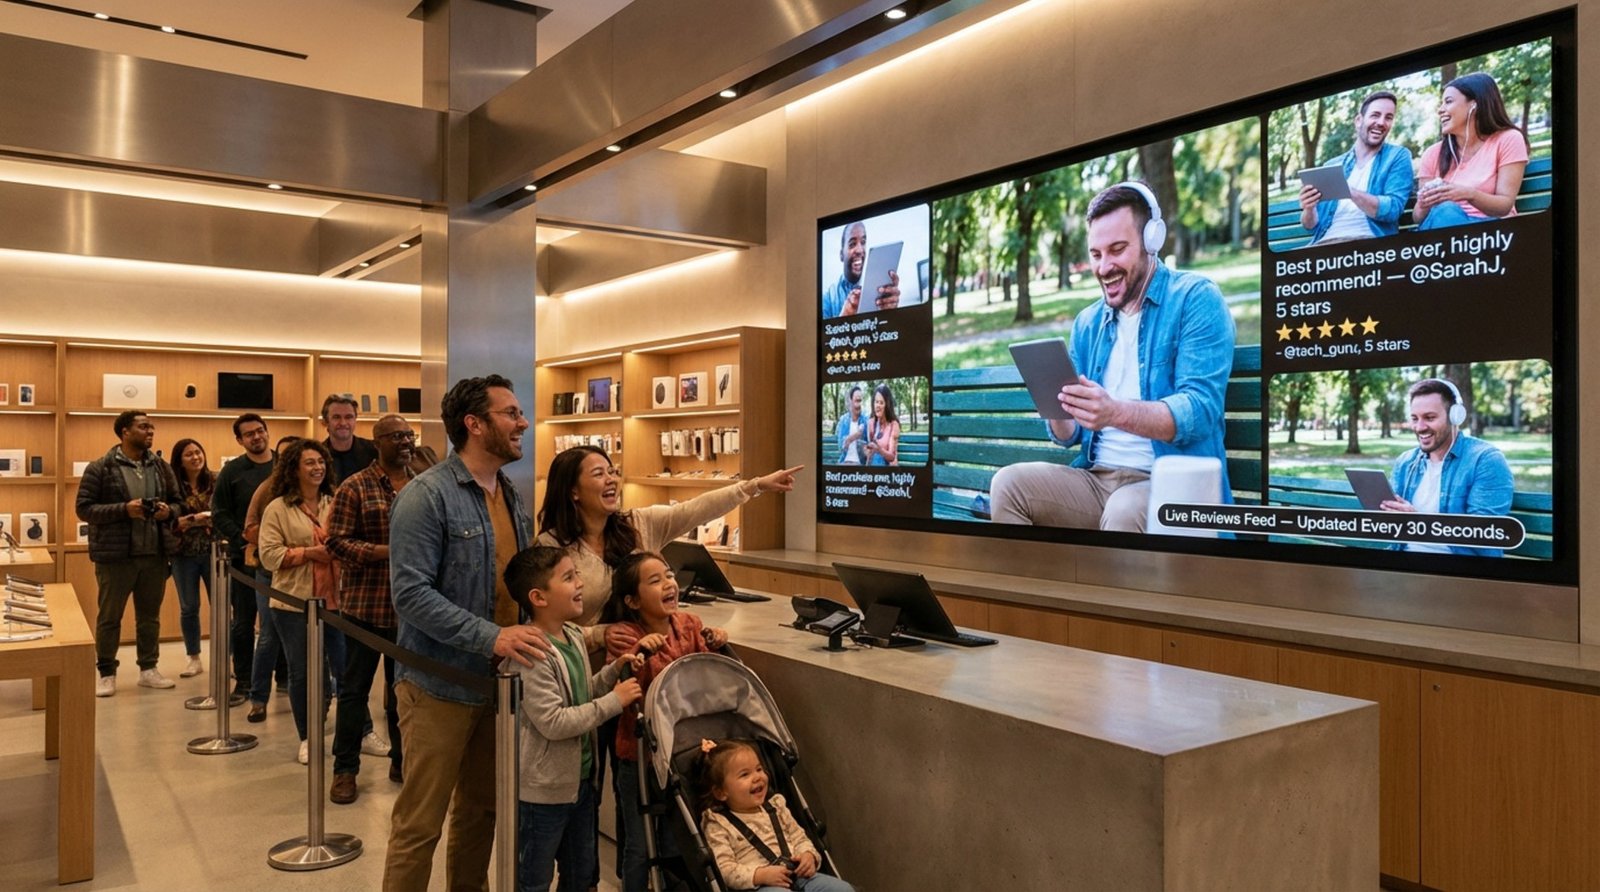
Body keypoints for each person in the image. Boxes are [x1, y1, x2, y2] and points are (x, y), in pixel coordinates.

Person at [383, 374, 554, 892]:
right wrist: (492, 637)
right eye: (510, 413)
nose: (523, 422)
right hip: (437, 686)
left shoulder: (510, 496)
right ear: (474, 425)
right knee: (419, 824)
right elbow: (410, 595)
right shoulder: (425, 497)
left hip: (497, 688)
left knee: (480, 813)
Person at [989, 182, 1235, 532]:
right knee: (1009, 486)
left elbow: (1199, 409)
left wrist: (1114, 412)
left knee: (1123, 510)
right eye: (1096, 254)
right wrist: (1058, 407)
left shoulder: (1195, 299)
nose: (1104, 267)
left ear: (1152, 241)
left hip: (1173, 483)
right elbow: (1069, 435)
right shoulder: (1088, 323)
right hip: (1096, 481)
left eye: (1117, 250)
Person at [536, 446, 802, 649]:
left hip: (652, 664)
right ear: (573, 491)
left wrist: (754, 486)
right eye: (598, 474)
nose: (611, 480)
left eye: (612, 471)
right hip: (589, 669)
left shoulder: (639, 524)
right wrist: (598, 635)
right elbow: (545, 626)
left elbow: (695, 510)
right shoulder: (551, 547)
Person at [504, 546, 643, 892]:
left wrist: (612, 672)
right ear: (538, 597)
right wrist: (615, 701)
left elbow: (581, 694)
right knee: (534, 879)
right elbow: (554, 721)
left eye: (576, 574)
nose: (580, 583)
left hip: (581, 783)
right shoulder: (531, 654)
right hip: (543, 794)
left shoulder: (575, 636)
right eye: (568, 577)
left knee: (581, 875)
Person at [604, 552, 730, 892]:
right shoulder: (624, 636)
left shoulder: (688, 624)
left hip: (683, 750)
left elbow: (708, 671)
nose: (669, 583)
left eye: (669, 575)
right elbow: (625, 689)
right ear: (631, 600)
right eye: (655, 580)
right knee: (640, 843)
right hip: (640, 755)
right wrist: (639, 653)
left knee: (680, 836)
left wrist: (717, 638)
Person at [327, 414, 414, 804]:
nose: (406, 442)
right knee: (353, 693)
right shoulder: (354, 487)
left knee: (404, 695)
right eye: (397, 436)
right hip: (365, 608)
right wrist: (386, 553)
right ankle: (345, 769)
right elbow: (337, 543)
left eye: (409, 435)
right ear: (377, 442)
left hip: (410, 611)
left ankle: (402, 760)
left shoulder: (421, 485)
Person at [77, 411, 182, 697]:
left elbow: (178, 503)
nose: (151, 431)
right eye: (144, 426)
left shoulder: (161, 466)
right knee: (109, 617)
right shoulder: (100, 467)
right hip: (115, 558)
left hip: (154, 554)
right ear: (125, 431)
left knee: (150, 617)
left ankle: (149, 669)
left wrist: (167, 512)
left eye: (152, 426)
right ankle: (107, 672)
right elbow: (84, 509)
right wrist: (125, 509)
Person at [257, 439, 339, 766]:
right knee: (303, 671)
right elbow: (269, 555)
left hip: (336, 599)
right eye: (309, 462)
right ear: (294, 468)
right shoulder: (278, 508)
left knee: (341, 669)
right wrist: (308, 554)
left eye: (321, 461)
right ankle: (308, 735)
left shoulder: (335, 501)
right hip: (294, 603)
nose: (317, 467)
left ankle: (342, 726)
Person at [697, 739, 854, 892]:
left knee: (843, 888)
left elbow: (799, 838)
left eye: (759, 769)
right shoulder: (718, 823)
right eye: (745, 774)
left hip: (798, 875)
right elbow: (724, 869)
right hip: (760, 886)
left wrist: (808, 856)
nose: (758, 777)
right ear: (721, 792)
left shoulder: (776, 806)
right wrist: (760, 875)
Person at [1380, 378, 1513, 557]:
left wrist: (1418, 523)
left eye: (1430, 418)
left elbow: (1483, 533)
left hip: (1460, 572)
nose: (1419, 427)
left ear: (1455, 417)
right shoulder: (1406, 462)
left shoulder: (1485, 459)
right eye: (1414, 418)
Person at [212, 413, 276, 705]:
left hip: (283, 559)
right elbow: (220, 514)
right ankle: (245, 682)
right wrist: (243, 540)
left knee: (283, 620)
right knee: (244, 622)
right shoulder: (232, 471)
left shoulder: (284, 467)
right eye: (249, 434)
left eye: (260, 431)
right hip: (245, 560)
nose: (256, 437)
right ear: (240, 440)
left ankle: (284, 678)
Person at [1414, 72, 1530, 230]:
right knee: (1446, 212)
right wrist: (1425, 201)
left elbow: (1505, 206)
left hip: (1490, 234)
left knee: (1447, 211)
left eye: (1448, 102)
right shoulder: (1432, 153)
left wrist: (1468, 194)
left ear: (1474, 105)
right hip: (1443, 232)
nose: (1440, 110)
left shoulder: (1509, 139)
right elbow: (1417, 218)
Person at [1298, 90, 1416, 245]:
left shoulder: (1397, 156)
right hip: (1324, 245)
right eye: (1375, 115)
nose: (1381, 123)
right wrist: (1308, 208)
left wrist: (1350, 192)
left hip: (1368, 243)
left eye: (1388, 117)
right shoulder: (1332, 165)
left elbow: (1393, 209)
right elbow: (1311, 227)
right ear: (1359, 120)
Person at [243, 435, 300, 722]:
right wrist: (280, 544)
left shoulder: (318, 489)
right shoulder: (267, 490)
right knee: (269, 635)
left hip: (305, 575)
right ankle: (258, 698)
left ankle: (312, 696)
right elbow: (250, 529)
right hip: (270, 574)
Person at [167, 438, 215, 679]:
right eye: (189, 454)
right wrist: (187, 521)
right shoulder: (172, 487)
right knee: (189, 607)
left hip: (213, 552)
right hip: (183, 554)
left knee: (222, 606)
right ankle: (193, 657)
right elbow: (167, 521)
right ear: (179, 461)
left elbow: (226, 512)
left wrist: (210, 518)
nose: (196, 457)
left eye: (198, 452)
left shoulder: (215, 480)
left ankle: (227, 655)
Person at [821, 221, 900, 318]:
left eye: (863, 242)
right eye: (852, 244)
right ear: (841, 255)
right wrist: (845, 317)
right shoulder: (827, 298)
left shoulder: (880, 288)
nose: (859, 250)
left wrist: (891, 313)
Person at [321, 394, 380, 486]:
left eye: (348, 417)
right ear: (325, 421)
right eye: (336, 417)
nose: (343, 423)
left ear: (355, 420)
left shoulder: (374, 451)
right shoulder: (317, 454)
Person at [861, 384, 900, 466]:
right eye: (876, 402)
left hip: (887, 469)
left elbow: (892, 457)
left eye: (881, 403)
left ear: (887, 406)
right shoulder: (871, 423)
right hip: (872, 468)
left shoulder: (894, 425)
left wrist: (879, 449)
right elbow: (868, 453)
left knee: (878, 458)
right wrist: (866, 450)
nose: (877, 406)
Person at [833, 386, 866, 465]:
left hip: (860, 464)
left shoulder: (865, 420)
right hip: (844, 462)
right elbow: (840, 447)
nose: (859, 404)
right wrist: (853, 437)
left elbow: (868, 448)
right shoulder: (843, 420)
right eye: (857, 401)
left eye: (861, 401)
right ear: (850, 401)